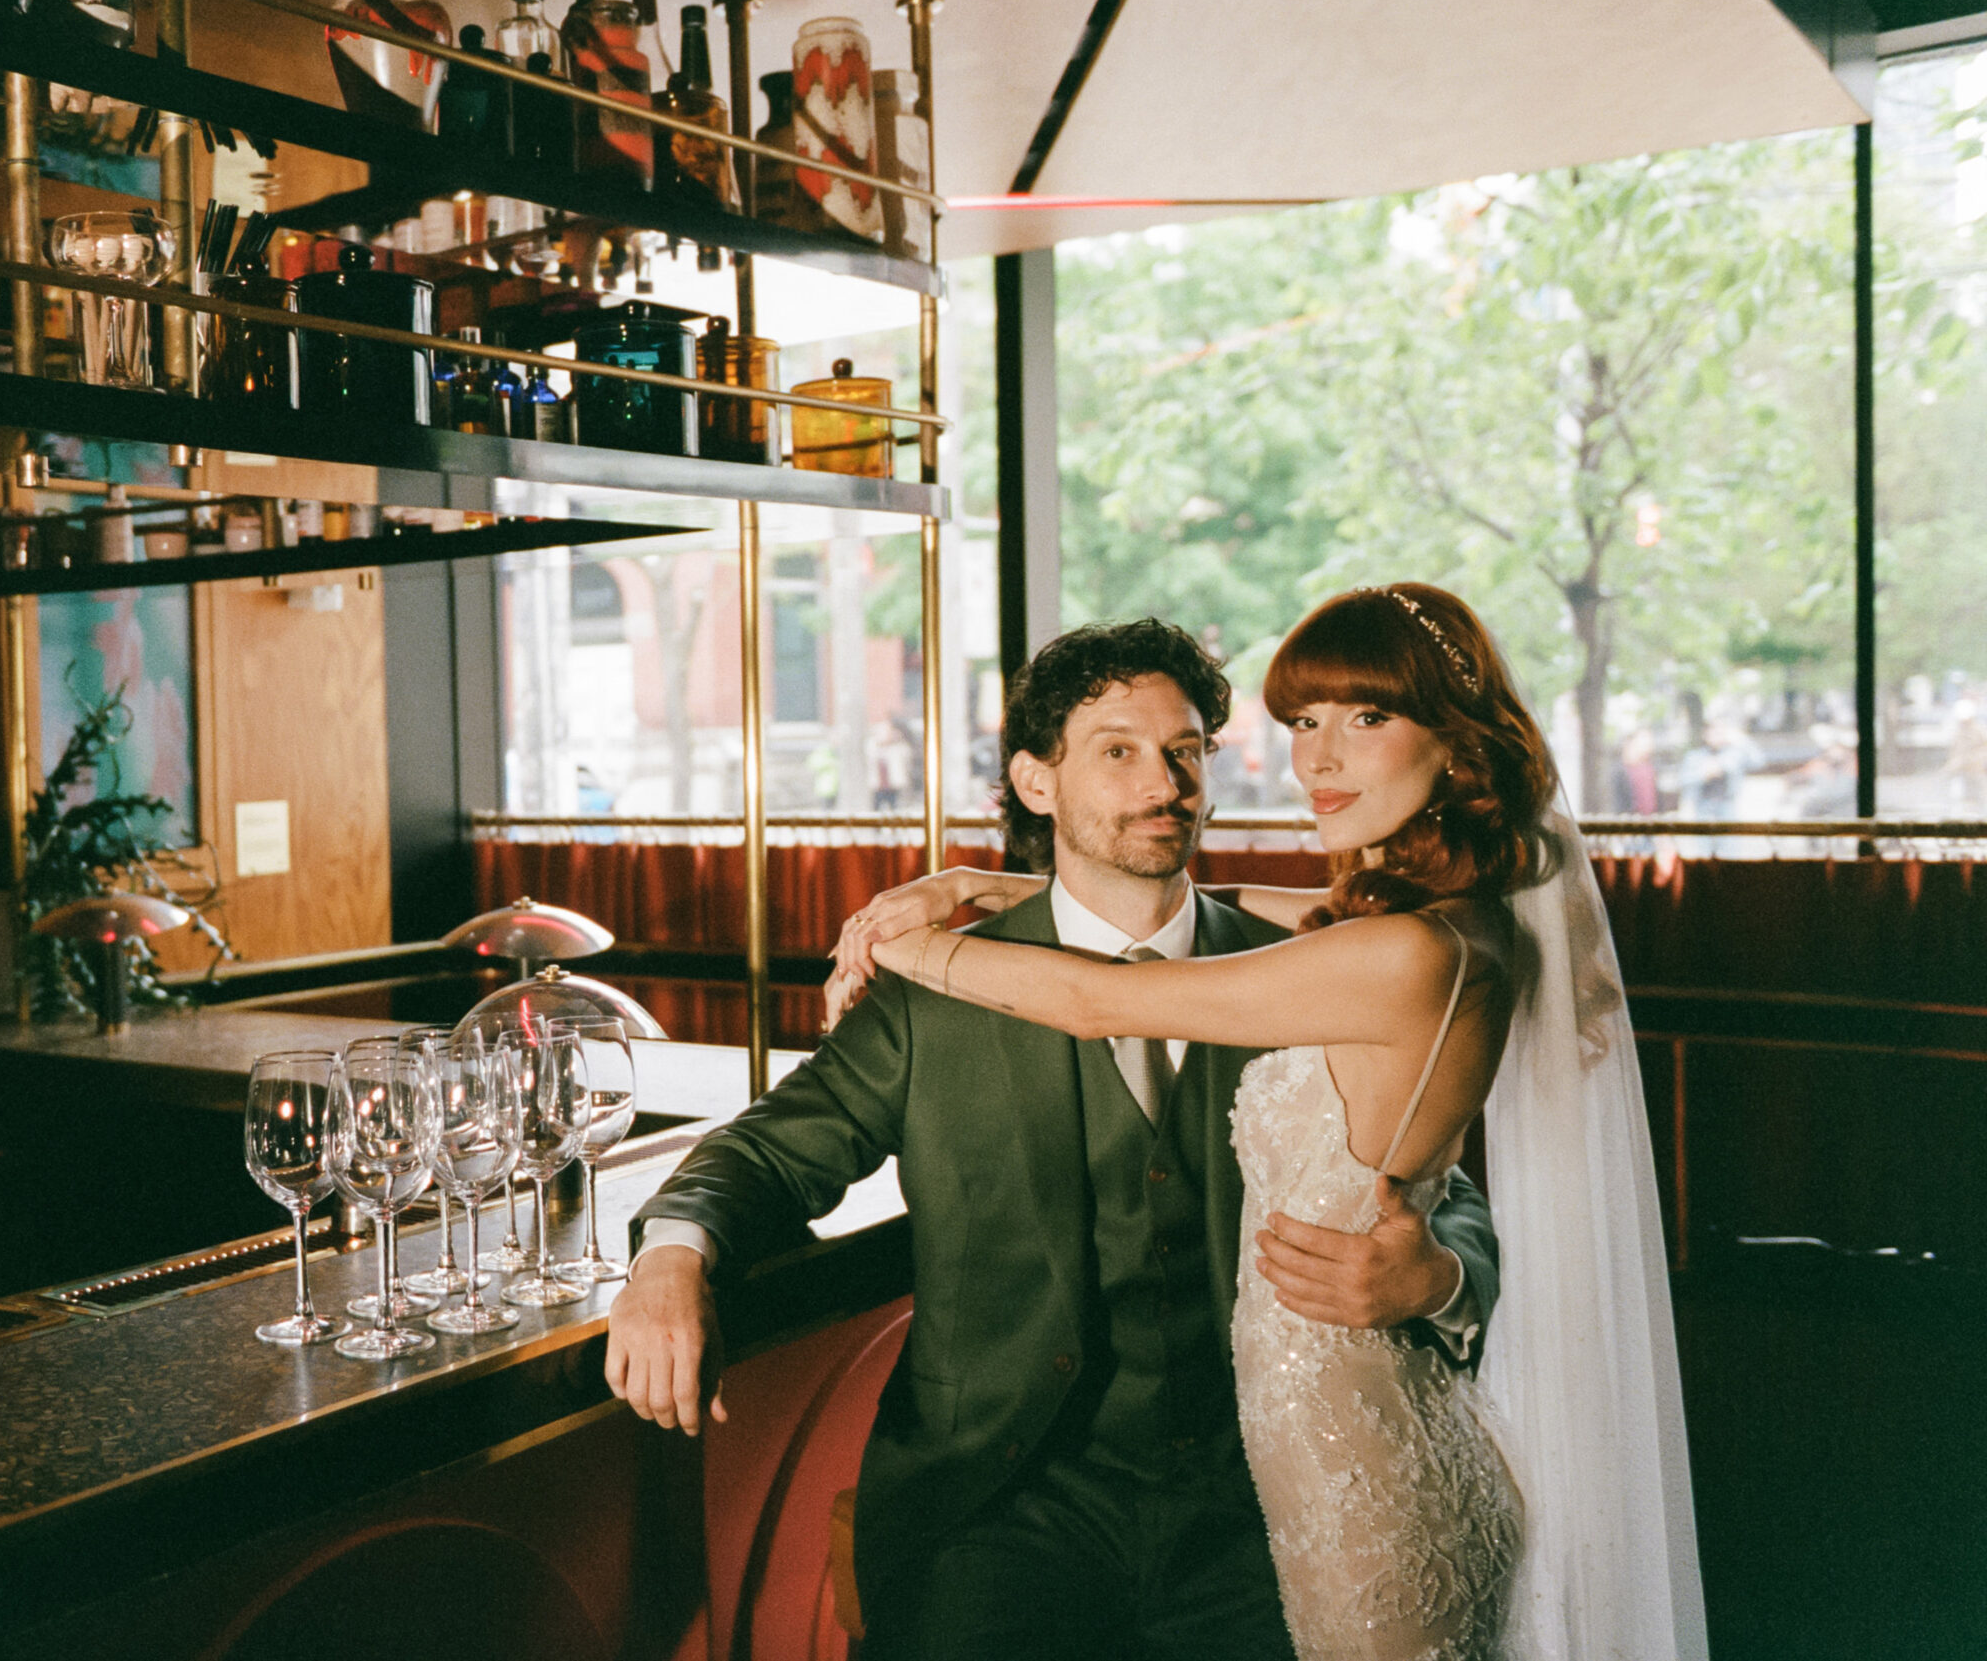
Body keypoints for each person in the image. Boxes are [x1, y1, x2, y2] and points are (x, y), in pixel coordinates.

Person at [605, 618, 1504, 1660]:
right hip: (1000, 1503)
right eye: (1118, 750)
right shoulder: (933, 995)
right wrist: (670, 1257)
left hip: (1252, 1506)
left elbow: (1430, 1183)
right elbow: (766, 1152)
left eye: (1185, 750)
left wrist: (1438, 1275)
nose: (1163, 782)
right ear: (1037, 782)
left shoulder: (1307, 968)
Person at [835, 587, 1706, 1661]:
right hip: (1338, 1439)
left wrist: (888, 941)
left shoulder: (1403, 955)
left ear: (1455, 744)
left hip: (1361, 1473)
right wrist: (979, 880)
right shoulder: (1446, 923)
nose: (1319, 759)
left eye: (1367, 717)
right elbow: (1236, 905)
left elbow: (1100, 996)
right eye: (1302, 720)